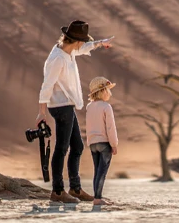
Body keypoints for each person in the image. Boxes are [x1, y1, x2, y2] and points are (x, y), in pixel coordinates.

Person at [36, 20, 114, 204]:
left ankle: (75, 189)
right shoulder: (57, 58)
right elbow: (46, 86)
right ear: (76, 41)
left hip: (68, 105)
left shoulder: (68, 50)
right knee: (62, 149)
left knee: (77, 147)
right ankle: (57, 191)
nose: (83, 44)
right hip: (60, 107)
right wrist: (41, 112)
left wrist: (100, 43)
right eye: (83, 41)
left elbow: (83, 48)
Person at [85, 77, 119, 206]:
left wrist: (90, 141)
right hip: (104, 143)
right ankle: (97, 199)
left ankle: (97, 197)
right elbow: (110, 127)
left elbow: (89, 125)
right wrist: (114, 144)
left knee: (97, 171)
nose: (109, 94)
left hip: (93, 143)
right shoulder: (106, 107)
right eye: (107, 91)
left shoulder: (89, 106)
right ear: (102, 91)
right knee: (102, 172)